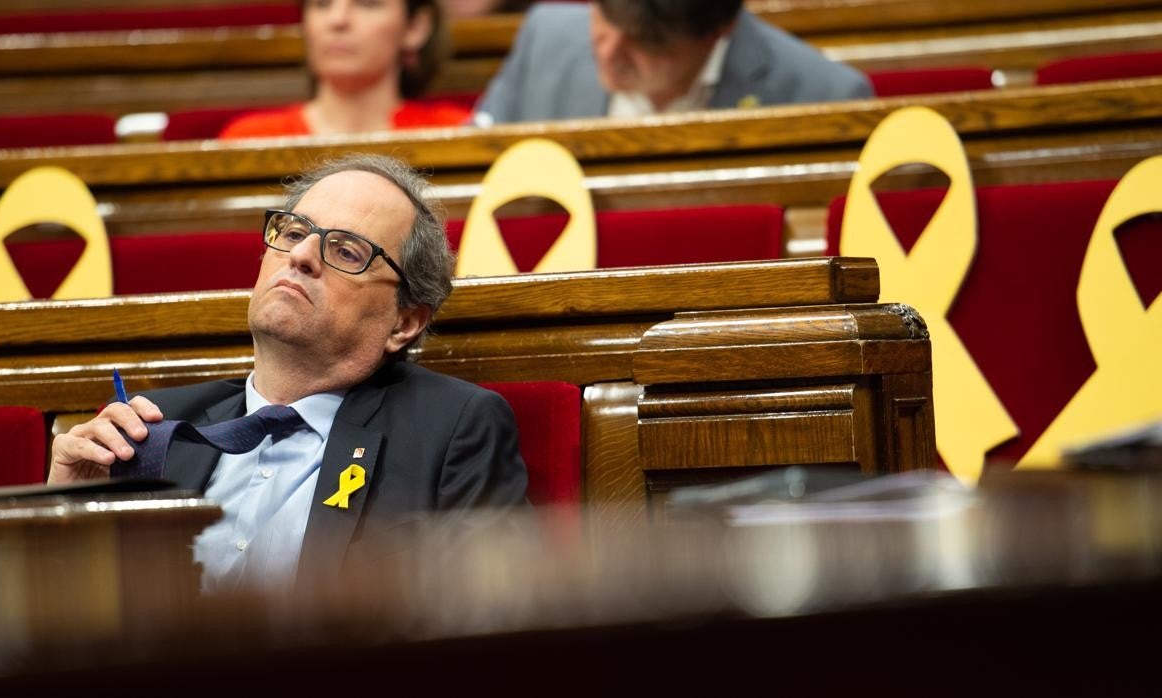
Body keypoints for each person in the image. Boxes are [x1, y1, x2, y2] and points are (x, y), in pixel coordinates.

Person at [48, 154, 528, 593]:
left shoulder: (452, 429)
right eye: (294, 233)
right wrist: (61, 519)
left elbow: (491, 626)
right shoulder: (152, 429)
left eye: (346, 251)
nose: (300, 256)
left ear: (403, 323)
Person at [473, 0, 874, 125]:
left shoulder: (823, 98)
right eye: (606, 18)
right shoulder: (545, 38)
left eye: (647, 42)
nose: (607, 52)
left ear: (718, 31)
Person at [219, 0, 470, 139]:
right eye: (322, 4)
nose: (337, 19)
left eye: (367, 3)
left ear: (415, 27)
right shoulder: (251, 137)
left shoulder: (457, 133)